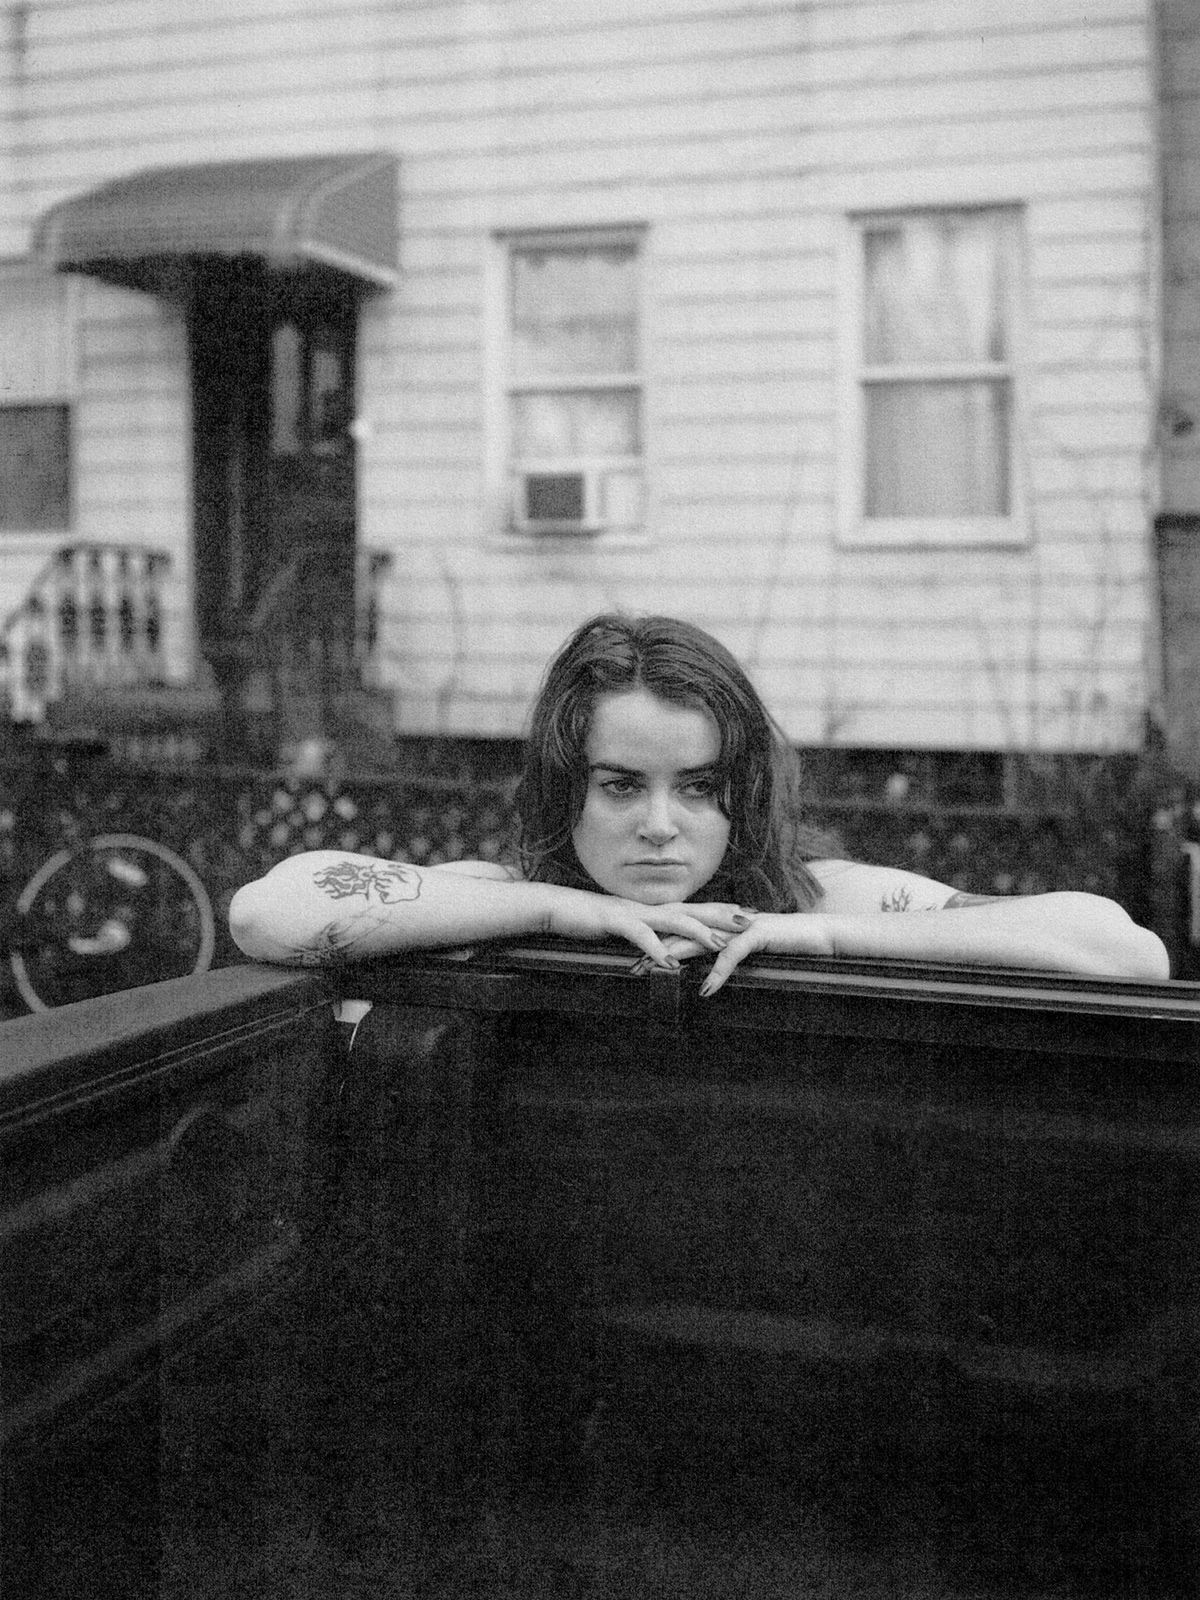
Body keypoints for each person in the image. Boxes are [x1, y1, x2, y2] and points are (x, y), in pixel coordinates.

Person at [228, 614, 1170, 990]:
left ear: (741, 793)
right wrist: (561, 910)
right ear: (567, 787)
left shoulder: (811, 897)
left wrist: (818, 934)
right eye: (620, 785)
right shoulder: (504, 897)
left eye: (699, 787)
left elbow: (1126, 950)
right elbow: (267, 912)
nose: (659, 825)